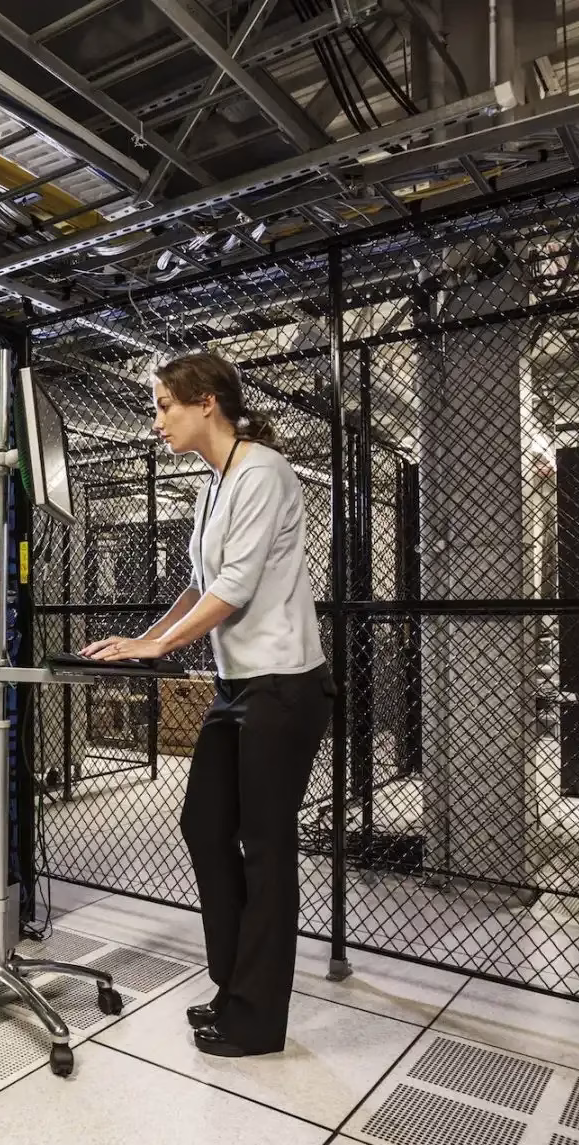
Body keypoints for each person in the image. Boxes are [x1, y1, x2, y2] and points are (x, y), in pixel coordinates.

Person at [81, 352, 333, 1058]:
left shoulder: (262, 472)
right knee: (204, 824)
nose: (157, 421)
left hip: (283, 685)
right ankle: (233, 985)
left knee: (267, 849)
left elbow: (237, 587)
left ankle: (257, 1017)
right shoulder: (213, 486)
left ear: (207, 403)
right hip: (237, 686)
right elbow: (200, 585)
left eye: (164, 406)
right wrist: (144, 640)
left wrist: (159, 647)